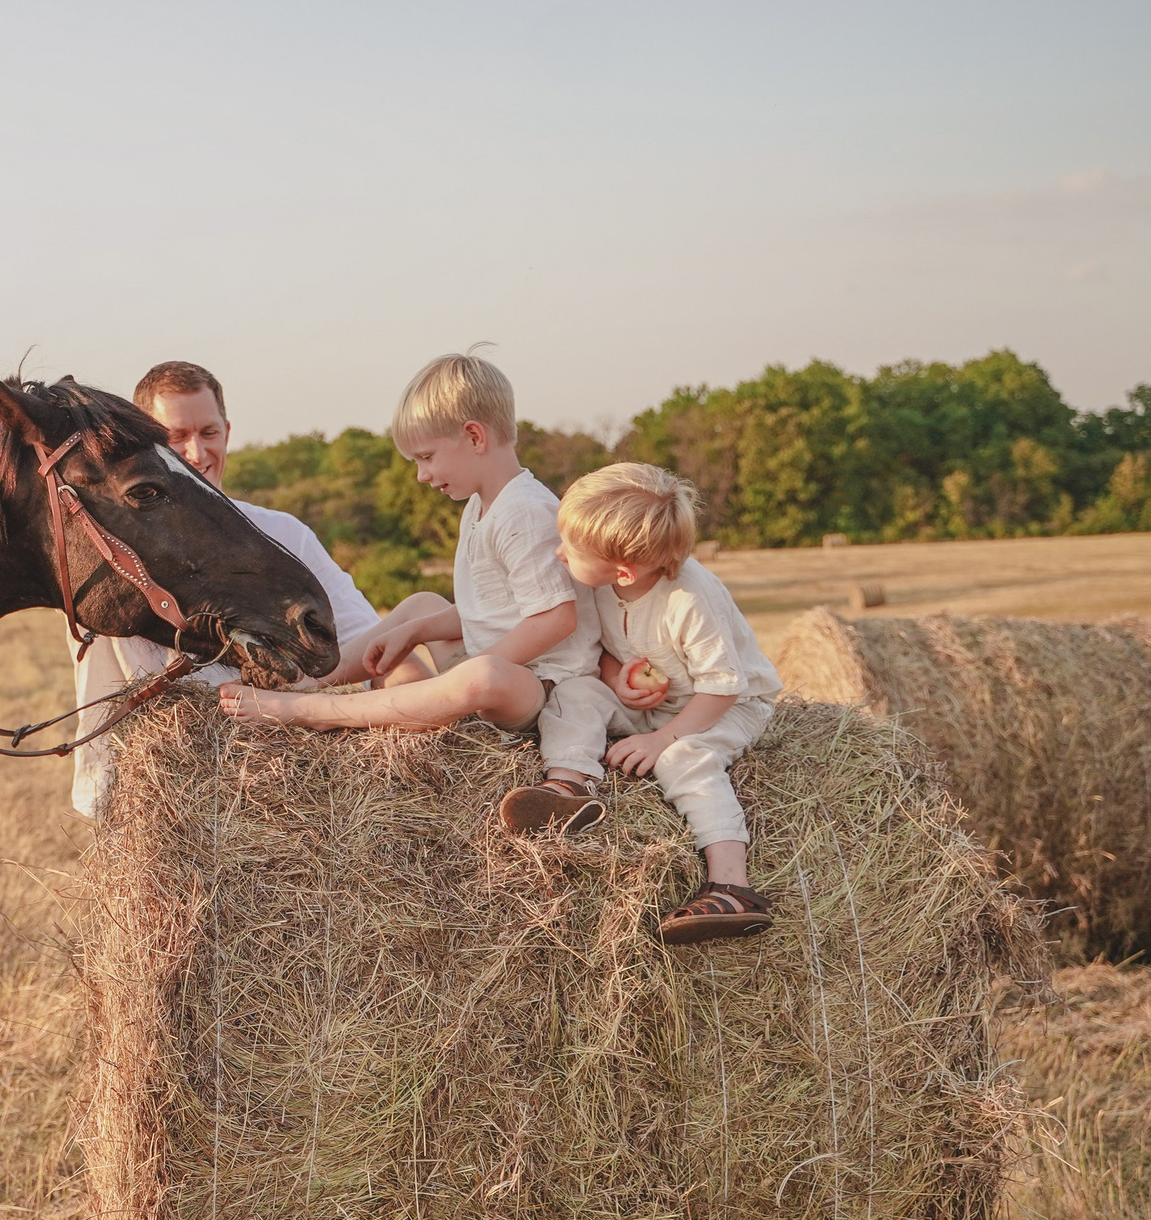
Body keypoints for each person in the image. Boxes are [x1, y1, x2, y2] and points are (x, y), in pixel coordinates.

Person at [219, 351, 596, 736]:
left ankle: (317, 708)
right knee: (421, 605)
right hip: (496, 663)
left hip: (543, 686)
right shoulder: (483, 505)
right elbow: (488, 608)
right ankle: (311, 681)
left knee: (484, 675)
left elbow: (556, 619)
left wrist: (472, 666)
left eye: (427, 457)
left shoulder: (525, 512)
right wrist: (414, 632)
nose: (420, 475)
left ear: (473, 437)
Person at [67, 362, 380, 816]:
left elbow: (370, 641)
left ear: (228, 431)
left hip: (290, 788)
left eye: (209, 432)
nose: (196, 452)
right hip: (162, 801)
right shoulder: (110, 557)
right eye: (176, 437)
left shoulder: (285, 536)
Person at [500, 463, 782, 942]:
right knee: (577, 690)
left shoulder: (689, 598)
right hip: (656, 703)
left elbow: (723, 685)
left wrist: (661, 739)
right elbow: (609, 653)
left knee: (683, 758)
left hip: (728, 706)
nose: (558, 553)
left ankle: (734, 885)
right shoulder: (604, 585)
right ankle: (569, 786)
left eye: (570, 546)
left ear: (625, 568)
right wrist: (618, 678)